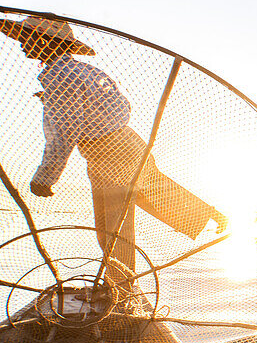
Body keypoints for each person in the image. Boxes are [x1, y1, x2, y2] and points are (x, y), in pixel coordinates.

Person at [0, 15, 227, 273]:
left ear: (46, 41)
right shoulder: (82, 71)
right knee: (136, 202)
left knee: (114, 228)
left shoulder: (59, 77)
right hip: (122, 146)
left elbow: (65, 131)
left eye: (26, 37)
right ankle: (206, 215)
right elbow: (106, 108)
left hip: (110, 152)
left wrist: (46, 176)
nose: (21, 43)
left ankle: (122, 288)